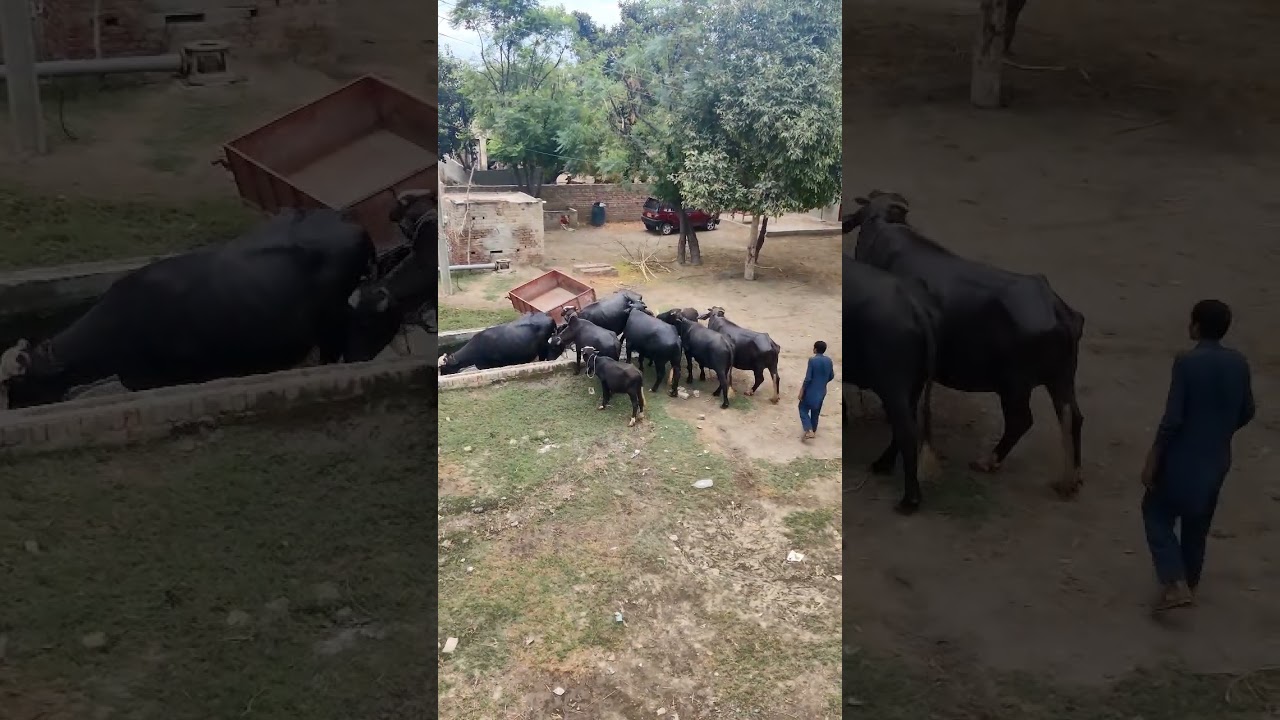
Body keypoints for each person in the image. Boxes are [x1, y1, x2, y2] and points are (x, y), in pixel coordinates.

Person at [1141, 299, 1255, 613]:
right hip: (1217, 460)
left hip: (1180, 458)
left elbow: (1172, 420)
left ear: (1196, 326)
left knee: (1156, 513)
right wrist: (1220, 431)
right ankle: (1189, 583)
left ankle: (1174, 583)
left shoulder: (1186, 363)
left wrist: (1153, 457)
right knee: (1198, 523)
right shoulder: (1239, 363)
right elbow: (1248, 411)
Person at [799, 340, 835, 441]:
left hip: (811, 391)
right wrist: (823, 382)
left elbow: (808, 379)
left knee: (802, 408)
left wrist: (802, 390)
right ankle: (813, 431)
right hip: (822, 391)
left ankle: (809, 430)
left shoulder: (812, 360)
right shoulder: (829, 360)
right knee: (816, 411)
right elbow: (831, 376)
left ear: (815, 349)